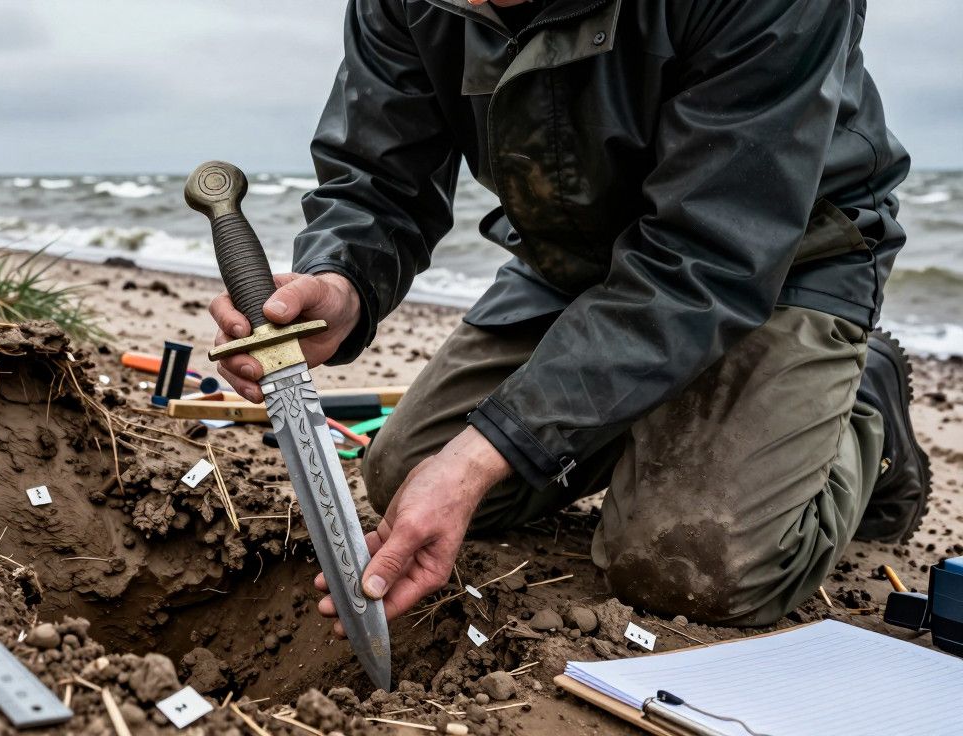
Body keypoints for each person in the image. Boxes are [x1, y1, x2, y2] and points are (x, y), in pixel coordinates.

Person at [209, 0, 932, 631]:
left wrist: (479, 455)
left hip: (782, 259)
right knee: (403, 475)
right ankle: (656, 422)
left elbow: (710, 253)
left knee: (691, 568)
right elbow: (379, 181)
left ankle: (864, 407)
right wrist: (340, 281)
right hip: (578, 263)